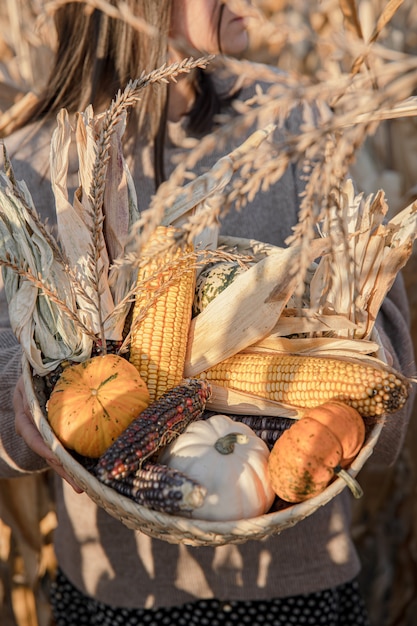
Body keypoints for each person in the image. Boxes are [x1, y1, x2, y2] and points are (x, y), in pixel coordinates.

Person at [0, 1, 415, 625]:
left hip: (301, 585)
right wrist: (22, 407)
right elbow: (9, 363)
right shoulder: (32, 160)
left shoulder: (295, 120)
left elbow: (380, 347)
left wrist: (347, 358)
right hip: (124, 592)